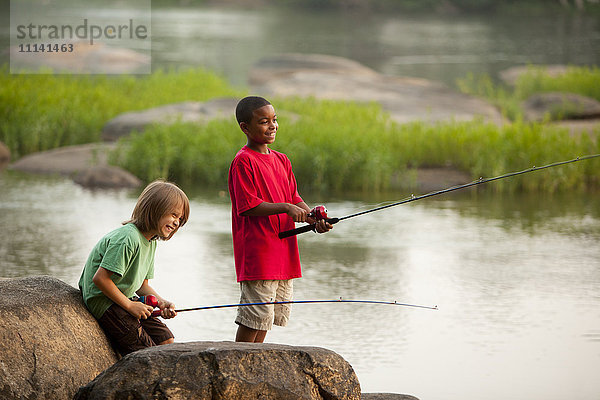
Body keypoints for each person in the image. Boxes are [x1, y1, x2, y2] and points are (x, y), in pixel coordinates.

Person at [228, 96, 333, 343]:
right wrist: (285, 208)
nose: (272, 126)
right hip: (260, 253)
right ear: (245, 127)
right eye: (264, 122)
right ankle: (237, 362)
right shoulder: (244, 161)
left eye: (274, 120)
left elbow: (294, 198)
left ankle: (253, 364)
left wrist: (312, 218)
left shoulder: (282, 160)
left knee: (267, 318)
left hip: (283, 253)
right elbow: (248, 206)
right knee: (253, 318)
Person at [78, 180, 190, 355]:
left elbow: (142, 285)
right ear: (155, 209)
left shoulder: (151, 241)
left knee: (166, 340)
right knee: (149, 352)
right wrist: (130, 306)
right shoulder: (128, 238)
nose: (177, 222)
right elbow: (100, 279)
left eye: (180, 219)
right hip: (104, 301)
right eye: (174, 215)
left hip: (125, 298)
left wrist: (161, 302)